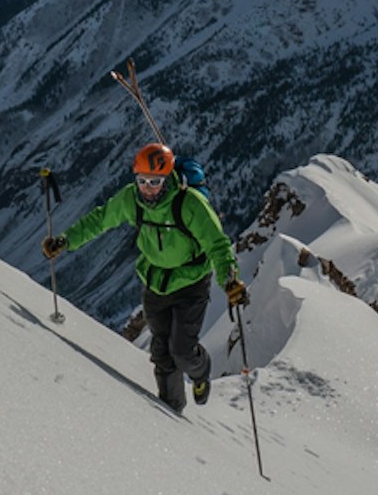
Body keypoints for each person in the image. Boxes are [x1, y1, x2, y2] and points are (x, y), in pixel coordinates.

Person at [44, 143, 246, 411]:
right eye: (142, 181)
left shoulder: (189, 204)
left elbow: (217, 246)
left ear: (167, 179)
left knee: (183, 352)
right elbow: (100, 219)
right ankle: (171, 412)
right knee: (162, 353)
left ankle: (200, 373)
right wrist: (65, 241)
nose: (148, 187)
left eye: (155, 181)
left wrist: (229, 280)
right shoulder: (132, 200)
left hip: (191, 284)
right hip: (154, 283)